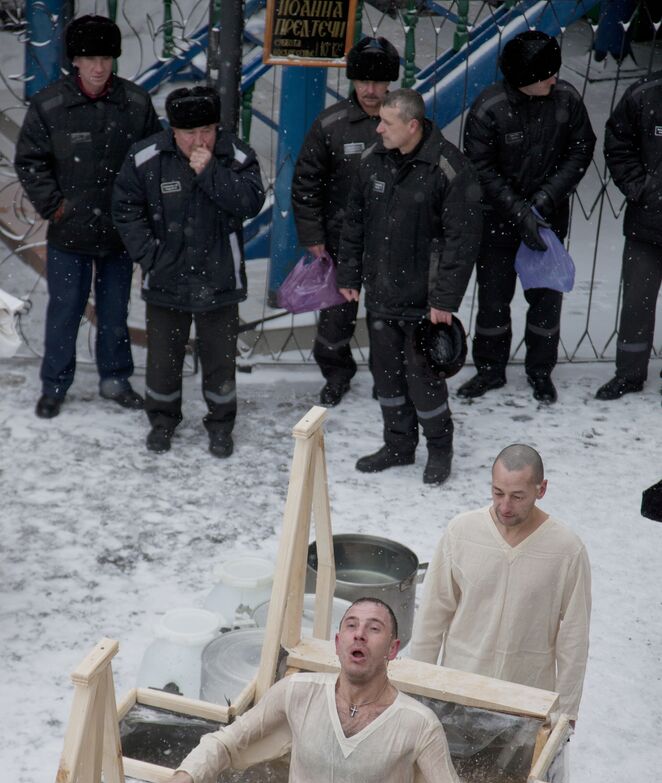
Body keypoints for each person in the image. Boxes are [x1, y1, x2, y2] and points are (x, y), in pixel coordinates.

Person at [138, 597, 479, 783]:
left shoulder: (418, 725)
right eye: (351, 626)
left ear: (392, 649)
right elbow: (227, 743)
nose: (359, 634)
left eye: (374, 628)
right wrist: (179, 782)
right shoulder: (297, 693)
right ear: (338, 642)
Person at [14, 14, 161, 419]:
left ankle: (115, 379)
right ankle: (55, 386)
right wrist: (55, 206)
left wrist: (141, 212)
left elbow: (154, 160)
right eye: (89, 57)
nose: (99, 67)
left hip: (120, 232)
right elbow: (30, 162)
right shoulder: (50, 104)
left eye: (106, 57)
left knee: (115, 311)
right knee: (65, 309)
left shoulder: (134, 103)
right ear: (74, 61)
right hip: (70, 231)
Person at [336, 89, 482, 485]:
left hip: (424, 303)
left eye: (387, 122)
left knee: (424, 381)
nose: (378, 127)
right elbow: (354, 224)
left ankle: (439, 448)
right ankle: (398, 446)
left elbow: (462, 239)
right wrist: (348, 275)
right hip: (382, 296)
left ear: (413, 126)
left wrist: (445, 299)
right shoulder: (372, 161)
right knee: (386, 377)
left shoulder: (448, 167)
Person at [112, 86, 265, 457]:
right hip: (166, 279)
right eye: (190, 133)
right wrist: (151, 256)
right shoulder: (146, 156)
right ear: (173, 131)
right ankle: (162, 422)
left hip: (220, 281)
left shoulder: (236, 155)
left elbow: (250, 201)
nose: (201, 140)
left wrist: (211, 171)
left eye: (208, 131)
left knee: (220, 362)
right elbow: (125, 208)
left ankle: (221, 425)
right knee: (163, 360)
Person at [459, 31, 595, 404]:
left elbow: (581, 149)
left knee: (546, 301)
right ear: (524, 79)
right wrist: (520, 212)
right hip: (497, 221)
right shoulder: (490, 108)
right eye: (545, 75)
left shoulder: (566, 98)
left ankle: (540, 371)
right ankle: (489, 370)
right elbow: (480, 169)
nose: (555, 79)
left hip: (548, 221)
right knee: (493, 301)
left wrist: (545, 200)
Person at [410, 444, 591, 722]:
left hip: (526, 702)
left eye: (518, 496)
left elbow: (574, 638)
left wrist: (565, 715)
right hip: (459, 692)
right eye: (498, 493)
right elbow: (433, 613)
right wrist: (417, 687)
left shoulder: (566, 549)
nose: (505, 506)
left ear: (541, 490)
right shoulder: (461, 532)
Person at [291, 36, 400, 408]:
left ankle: (388, 378)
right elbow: (306, 181)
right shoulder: (331, 124)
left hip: (391, 241)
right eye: (362, 82)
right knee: (336, 319)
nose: (370, 90)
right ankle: (336, 374)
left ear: (390, 83)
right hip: (339, 243)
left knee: (388, 317)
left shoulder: (407, 122)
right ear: (352, 81)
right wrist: (312, 234)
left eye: (378, 82)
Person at [596, 71, 662, 401]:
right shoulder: (644, 95)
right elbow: (617, 143)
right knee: (637, 304)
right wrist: (641, 187)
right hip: (647, 226)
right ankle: (629, 374)